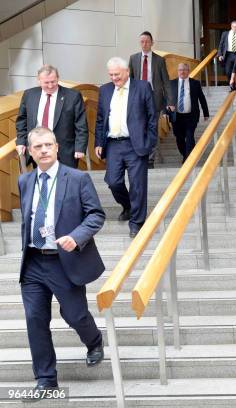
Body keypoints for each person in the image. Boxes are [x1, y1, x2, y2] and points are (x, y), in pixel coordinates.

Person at [18, 127, 105, 399]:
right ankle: (46, 379)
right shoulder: (24, 181)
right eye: (37, 147)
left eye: (47, 145)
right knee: (35, 319)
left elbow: (96, 215)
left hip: (64, 261)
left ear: (56, 147)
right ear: (30, 152)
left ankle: (94, 340)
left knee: (75, 314)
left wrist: (76, 237)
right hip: (33, 261)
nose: (43, 150)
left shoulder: (77, 178)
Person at [95, 57, 157, 238]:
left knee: (138, 185)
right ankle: (129, 206)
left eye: (117, 74)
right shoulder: (105, 90)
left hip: (136, 144)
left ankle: (137, 222)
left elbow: (152, 117)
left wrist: (150, 142)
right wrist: (99, 142)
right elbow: (100, 119)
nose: (114, 78)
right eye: (111, 75)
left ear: (127, 72)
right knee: (113, 182)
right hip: (113, 144)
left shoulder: (142, 87)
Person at [15, 65, 88, 168]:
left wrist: (80, 148)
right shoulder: (29, 95)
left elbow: (81, 124)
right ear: (39, 80)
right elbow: (22, 120)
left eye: (53, 81)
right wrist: (21, 141)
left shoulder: (73, 96)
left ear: (58, 78)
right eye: (46, 82)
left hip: (64, 151)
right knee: (42, 181)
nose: (50, 86)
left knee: (65, 182)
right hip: (38, 149)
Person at [129, 31, 173, 168]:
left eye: (147, 41)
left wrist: (170, 101)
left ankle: (150, 159)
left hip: (154, 98)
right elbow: (129, 80)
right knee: (139, 127)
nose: (144, 44)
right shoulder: (133, 58)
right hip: (138, 98)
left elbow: (166, 82)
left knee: (152, 128)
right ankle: (141, 154)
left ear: (152, 43)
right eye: (142, 41)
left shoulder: (160, 60)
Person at [169, 63, 210, 163]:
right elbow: (167, 98)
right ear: (178, 71)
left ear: (188, 71)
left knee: (190, 136)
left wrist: (206, 113)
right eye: (180, 70)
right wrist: (167, 109)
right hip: (176, 116)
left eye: (184, 70)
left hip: (191, 116)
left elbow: (202, 98)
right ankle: (187, 153)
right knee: (179, 138)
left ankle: (187, 160)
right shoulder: (171, 83)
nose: (182, 72)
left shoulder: (195, 83)